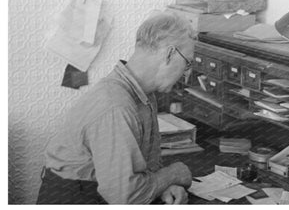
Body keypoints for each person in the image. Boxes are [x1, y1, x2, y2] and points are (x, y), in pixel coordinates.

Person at [37, 11, 197, 204]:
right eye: (187, 63)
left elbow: (143, 167)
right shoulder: (116, 106)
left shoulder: (143, 93)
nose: (187, 73)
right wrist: (174, 174)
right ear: (170, 54)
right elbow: (125, 197)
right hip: (75, 197)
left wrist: (162, 186)